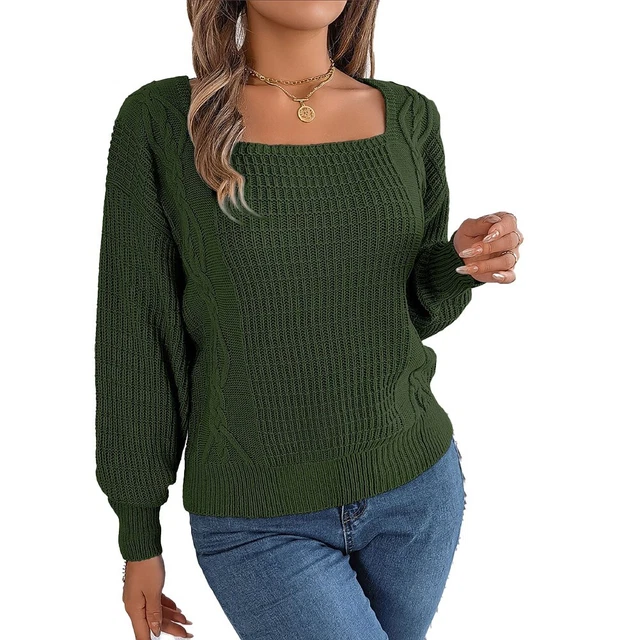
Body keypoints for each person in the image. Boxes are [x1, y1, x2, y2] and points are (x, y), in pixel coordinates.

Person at [94, 1, 523, 638]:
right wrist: (138, 533)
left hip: (416, 490)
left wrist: (459, 262)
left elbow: (402, 311)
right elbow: (137, 333)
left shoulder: (409, 116)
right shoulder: (162, 121)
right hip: (256, 515)